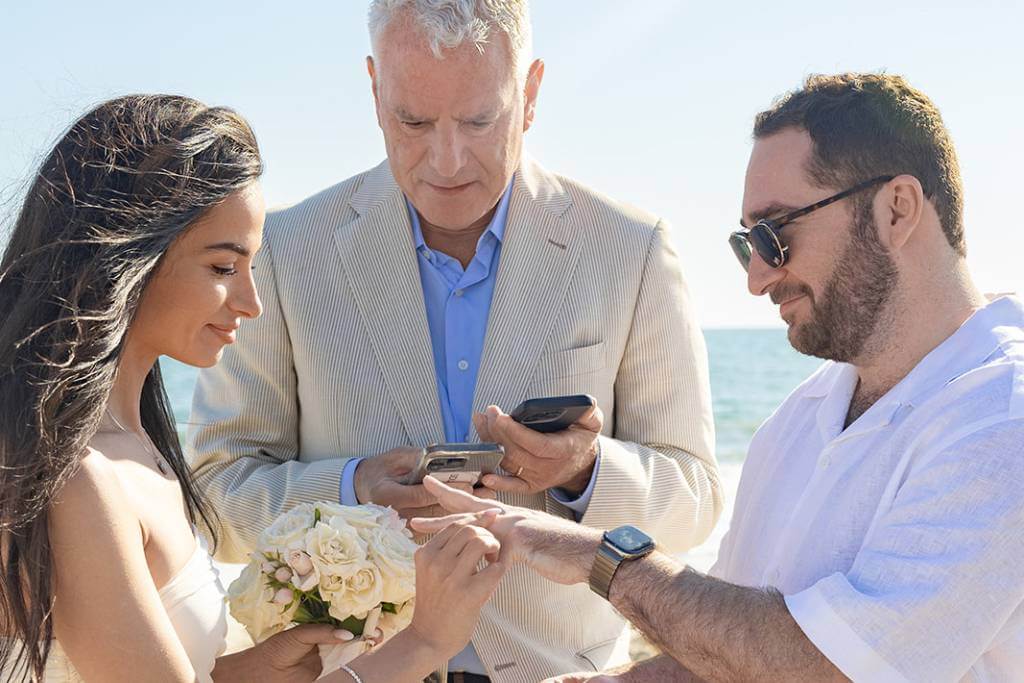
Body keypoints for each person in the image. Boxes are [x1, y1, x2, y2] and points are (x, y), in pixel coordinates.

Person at [412, 73, 1024, 682]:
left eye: (775, 234)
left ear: (897, 209)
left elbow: (831, 670)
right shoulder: (797, 420)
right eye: (746, 245)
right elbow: (727, 655)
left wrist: (599, 557)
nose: (756, 277)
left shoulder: (1003, 416)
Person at [188, 1, 720, 681]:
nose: (447, 159)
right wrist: (352, 488)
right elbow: (214, 492)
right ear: (375, 91)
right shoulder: (285, 254)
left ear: (529, 95)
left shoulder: (631, 250)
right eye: (413, 121)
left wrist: (585, 471)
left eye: (479, 119)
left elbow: (696, 499)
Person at [0, 94, 504, 683]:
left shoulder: (136, 445)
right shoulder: (80, 481)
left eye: (251, 267)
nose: (252, 303)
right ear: (127, 255)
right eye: (221, 267)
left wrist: (252, 670)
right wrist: (425, 641)